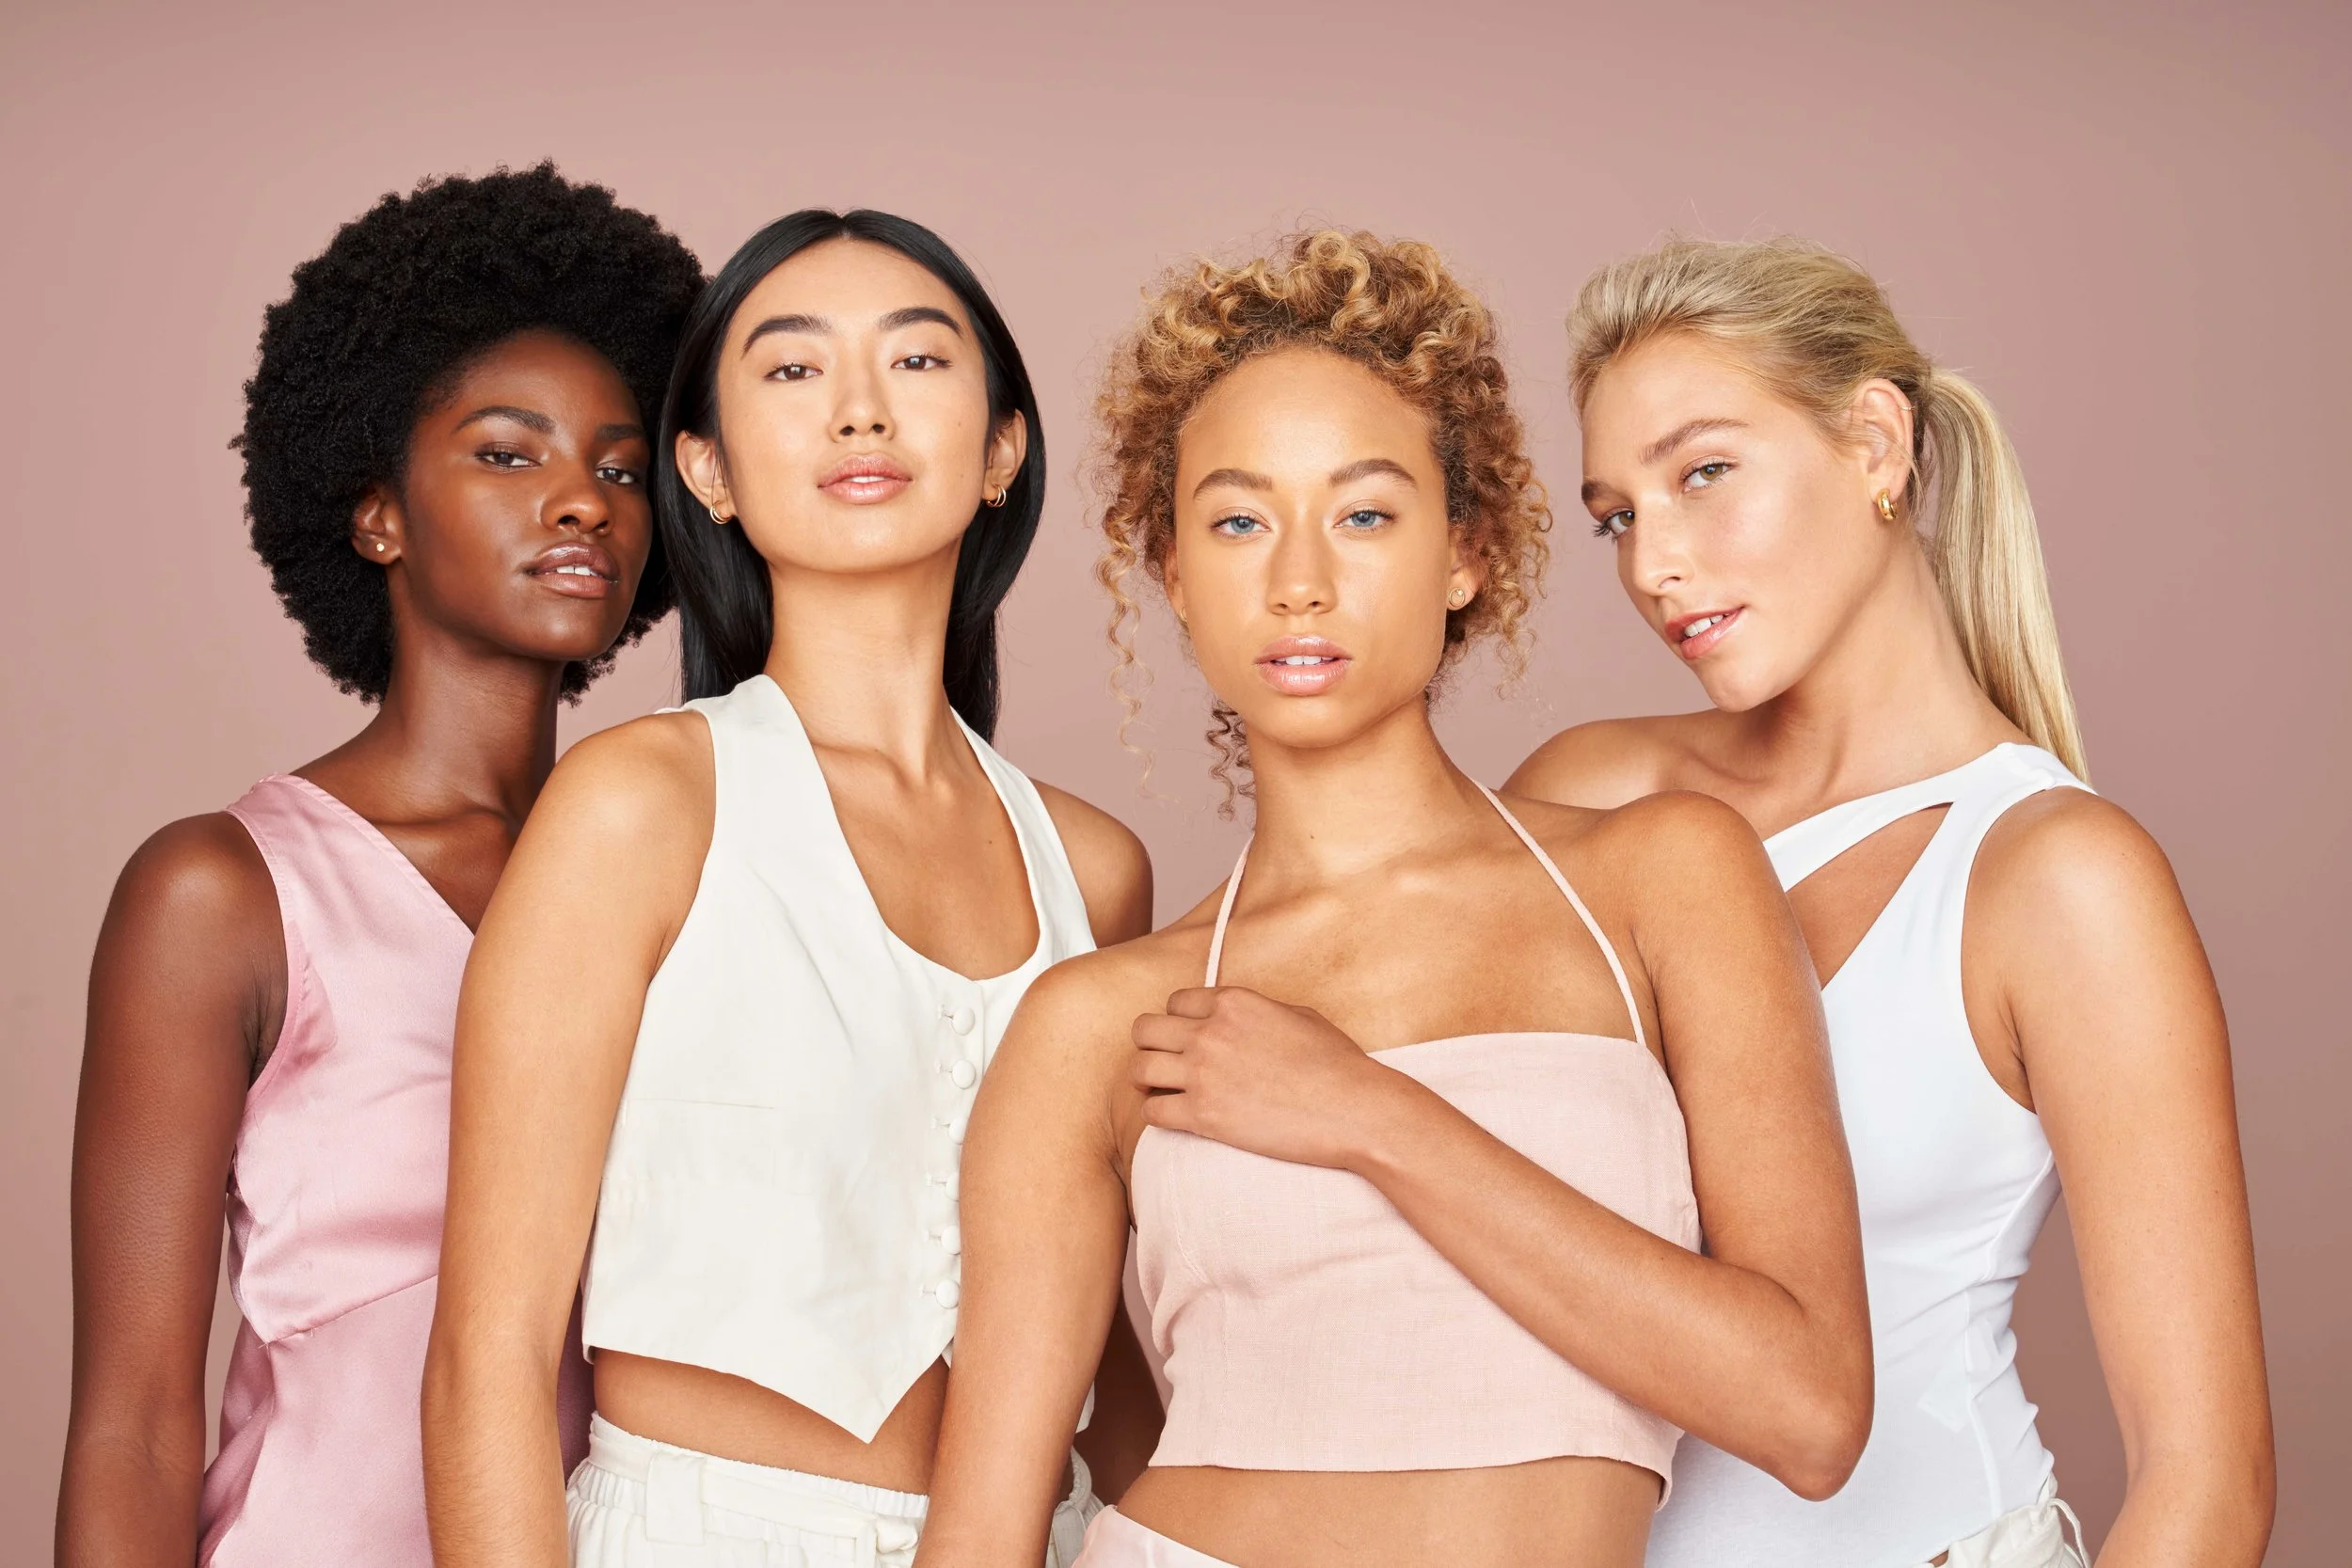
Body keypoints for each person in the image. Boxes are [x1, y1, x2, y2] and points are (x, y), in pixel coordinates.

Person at [914, 230, 1872, 1568]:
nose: (1299, 578)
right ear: (1178, 578)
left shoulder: (1663, 877)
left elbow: (1810, 1409)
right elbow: (982, 1533)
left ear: (1466, 553)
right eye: (1238, 520)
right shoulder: (1101, 1023)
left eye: (1364, 512)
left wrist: (1369, 1115)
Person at [1509, 236, 2274, 1567]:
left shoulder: (2055, 879)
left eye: (1703, 475)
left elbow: (2208, 1480)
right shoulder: (1592, 790)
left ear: (1873, 443)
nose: (1652, 564)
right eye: (1619, 514)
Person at [421, 210, 1163, 1568]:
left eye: (920, 364)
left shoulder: (1095, 871)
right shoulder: (640, 805)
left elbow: (1107, 1364)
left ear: (1003, 450)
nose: (862, 414)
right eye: (792, 369)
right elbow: (489, 1349)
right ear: (704, 467)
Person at [57, 165, 703, 1568]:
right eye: (507, 452)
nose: (581, 503)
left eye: (616, 465)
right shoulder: (221, 894)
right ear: (378, 516)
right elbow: (137, 1423)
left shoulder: (689, 875)